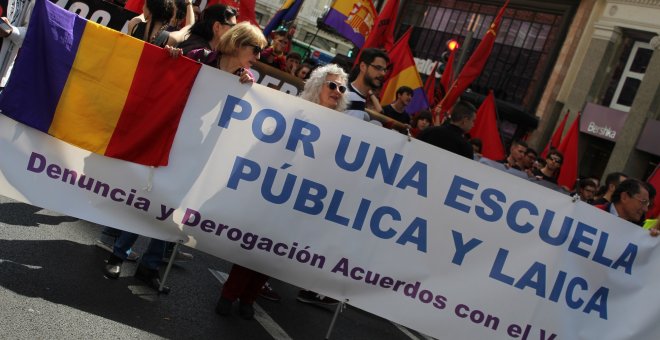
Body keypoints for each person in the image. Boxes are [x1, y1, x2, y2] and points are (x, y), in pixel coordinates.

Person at [204, 21, 267, 320]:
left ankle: (152, 262)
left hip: (207, 150)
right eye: (255, 49)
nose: (257, 55)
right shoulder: (202, 58)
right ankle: (119, 248)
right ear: (239, 43)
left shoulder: (247, 79)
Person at [295, 64, 350, 307]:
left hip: (311, 195)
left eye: (341, 87)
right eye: (332, 85)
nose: (337, 91)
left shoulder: (343, 125)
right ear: (318, 86)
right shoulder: (299, 112)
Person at [346, 48, 390, 124]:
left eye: (384, 70)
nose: (383, 73)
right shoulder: (343, 93)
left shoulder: (361, 98)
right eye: (378, 68)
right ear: (363, 66)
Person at [127, 0, 195, 49]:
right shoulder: (171, 38)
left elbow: (147, 13)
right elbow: (190, 26)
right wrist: (189, 3)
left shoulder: (134, 24)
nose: (142, 8)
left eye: (144, 4)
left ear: (149, 10)